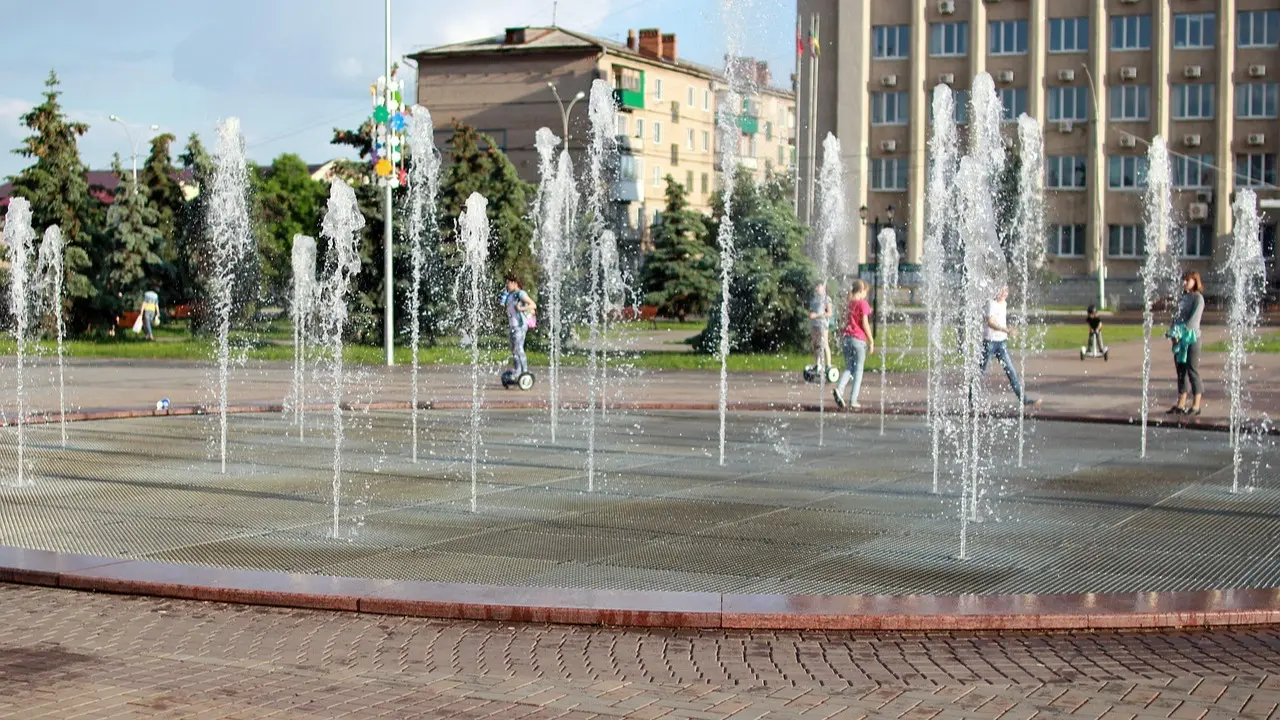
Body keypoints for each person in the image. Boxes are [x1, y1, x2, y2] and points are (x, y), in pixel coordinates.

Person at [981, 286, 1039, 406]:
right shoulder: (991, 303)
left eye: (1006, 290)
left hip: (1001, 343)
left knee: (1011, 372)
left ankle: (1024, 400)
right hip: (990, 343)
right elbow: (990, 322)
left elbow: (1000, 321)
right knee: (981, 372)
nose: (1004, 293)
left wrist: (1009, 330)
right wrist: (1006, 330)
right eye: (1002, 290)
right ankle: (971, 400)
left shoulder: (1004, 304)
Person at [1167, 270, 1205, 416]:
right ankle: (1181, 404)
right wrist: (1172, 332)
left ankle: (1196, 405)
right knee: (1181, 370)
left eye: (1187, 280)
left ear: (1195, 282)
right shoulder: (1183, 297)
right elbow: (1176, 317)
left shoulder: (1198, 299)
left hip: (1192, 338)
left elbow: (1193, 321)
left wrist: (1180, 333)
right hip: (1179, 339)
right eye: (1183, 280)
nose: (1184, 283)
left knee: (1192, 369)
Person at [832, 280, 874, 409]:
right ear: (861, 291)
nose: (865, 296)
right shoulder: (863, 304)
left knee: (849, 368)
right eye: (865, 293)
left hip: (847, 339)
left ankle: (839, 389)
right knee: (859, 370)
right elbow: (865, 324)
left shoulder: (849, 304)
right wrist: (871, 340)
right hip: (858, 340)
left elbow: (844, 322)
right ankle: (853, 400)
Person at [500, 276, 536, 376]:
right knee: (514, 350)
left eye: (508, 283)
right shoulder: (510, 295)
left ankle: (525, 372)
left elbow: (533, 305)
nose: (507, 285)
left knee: (519, 348)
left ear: (514, 283)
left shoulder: (520, 294)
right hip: (513, 326)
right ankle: (518, 371)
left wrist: (522, 309)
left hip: (520, 326)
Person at [807, 282, 834, 373]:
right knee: (815, 344)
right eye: (816, 287)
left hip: (823, 324)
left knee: (824, 344)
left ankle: (828, 364)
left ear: (823, 287)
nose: (816, 289)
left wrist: (817, 315)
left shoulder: (827, 299)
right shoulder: (814, 299)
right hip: (814, 325)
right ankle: (817, 364)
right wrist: (810, 314)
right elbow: (811, 310)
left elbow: (829, 313)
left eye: (818, 286)